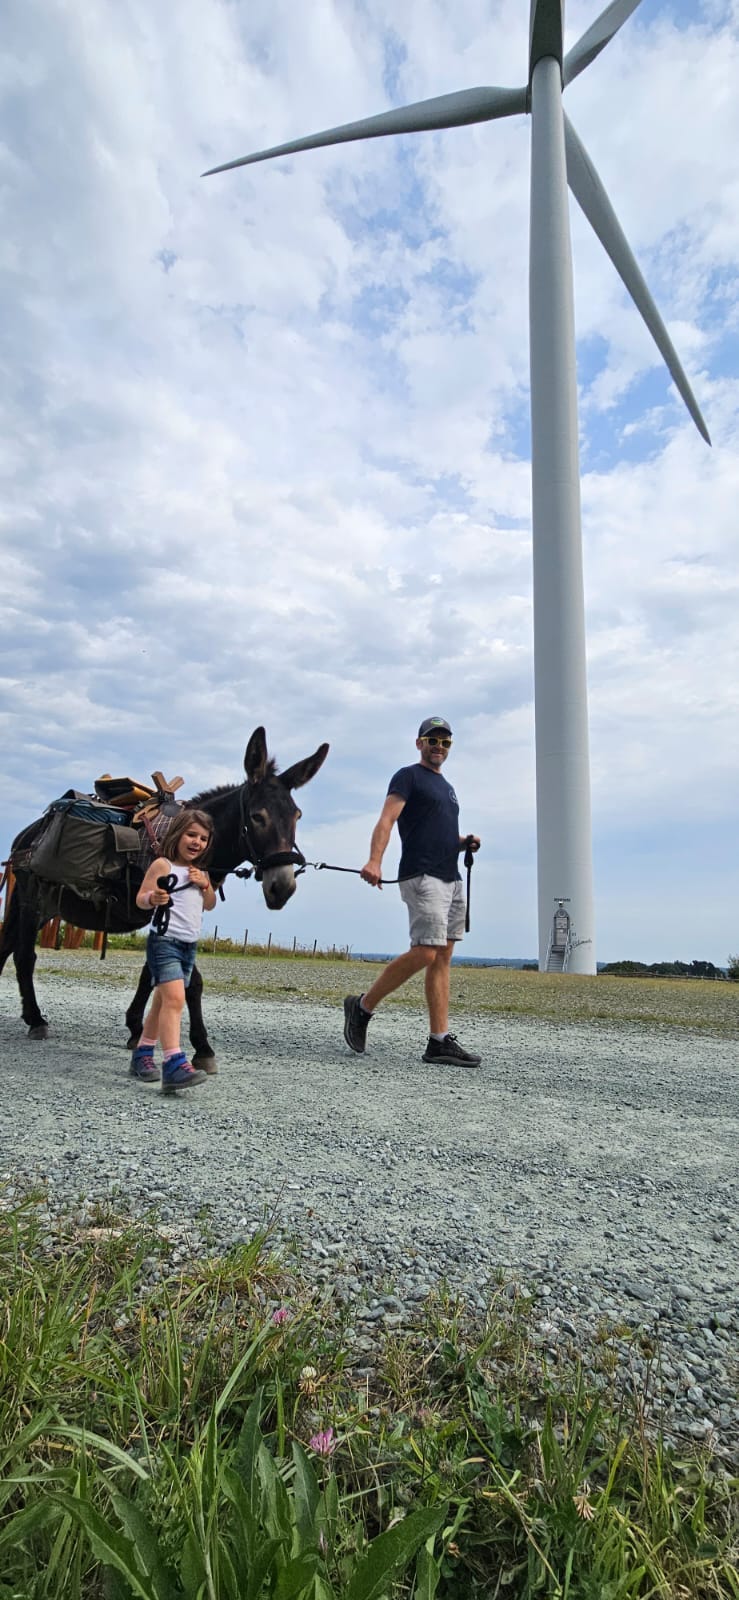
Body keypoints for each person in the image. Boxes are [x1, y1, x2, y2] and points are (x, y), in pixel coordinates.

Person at [343, 717, 482, 1068]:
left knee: (443, 957)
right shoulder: (408, 776)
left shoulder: (447, 788)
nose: (439, 746)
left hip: (451, 876)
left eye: (445, 742)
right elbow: (387, 819)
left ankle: (438, 1041)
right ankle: (362, 1007)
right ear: (419, 743)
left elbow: (437, 832)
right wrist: (374, 860)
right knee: (426, 952)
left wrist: (463, 842)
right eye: (433, 740)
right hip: (421, 876)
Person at [130, 809, 217, 1091]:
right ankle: (173, 1063)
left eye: (203, 838)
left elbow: (210, 904)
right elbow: (141, 900)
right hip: (164, 942)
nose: (196, 842)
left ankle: (142, 1054)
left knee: (161, 1002)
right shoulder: (162, 865)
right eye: (191, 835)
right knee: (176, 1001)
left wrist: (205, 885)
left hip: (188, 946)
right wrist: (152, 897)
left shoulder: (200, 873)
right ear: (177, 834)